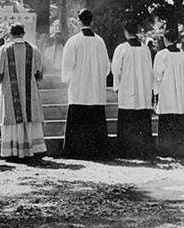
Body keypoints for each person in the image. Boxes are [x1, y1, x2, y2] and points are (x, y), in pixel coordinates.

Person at [0, 24, 47, 159]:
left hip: (10, 93)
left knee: (12, 117)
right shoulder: (34, 49)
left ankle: (11, 151)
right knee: (29, 115)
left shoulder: (4, 50)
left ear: (10, 35)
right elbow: (39, 74)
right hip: (29, 92)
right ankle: (33, 149)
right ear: (23, 34)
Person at [61, 9, 110, 159]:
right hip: (95, 90)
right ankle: (97, 151)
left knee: (78, 120)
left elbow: (67, 65)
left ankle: (76, 151)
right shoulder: (100, 41)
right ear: (91, 21)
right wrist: (97, 78)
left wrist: (66, 79)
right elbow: (106, 67)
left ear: (78, 21)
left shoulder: (73, 41)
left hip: (79, 89)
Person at [112, 21, 154, 159]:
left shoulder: (122, 49)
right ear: (136, 31)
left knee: (127, 119)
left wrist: (117, 86)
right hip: (142, 92)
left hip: (127, 90)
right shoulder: (145, 49)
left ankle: (126, 152)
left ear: (126, 32)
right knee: (142, 118)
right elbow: (149, 70)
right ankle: (143, 151)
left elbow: (116, 70)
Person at [153, 28, 184, 158]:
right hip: (181, 95)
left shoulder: (162, 55)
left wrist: (156, 92)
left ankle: (166, 151)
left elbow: (157, 75)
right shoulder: (182, 54)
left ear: (165, 39)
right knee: (179, 122)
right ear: (176, 39)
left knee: (166, 122)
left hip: (167, 93)